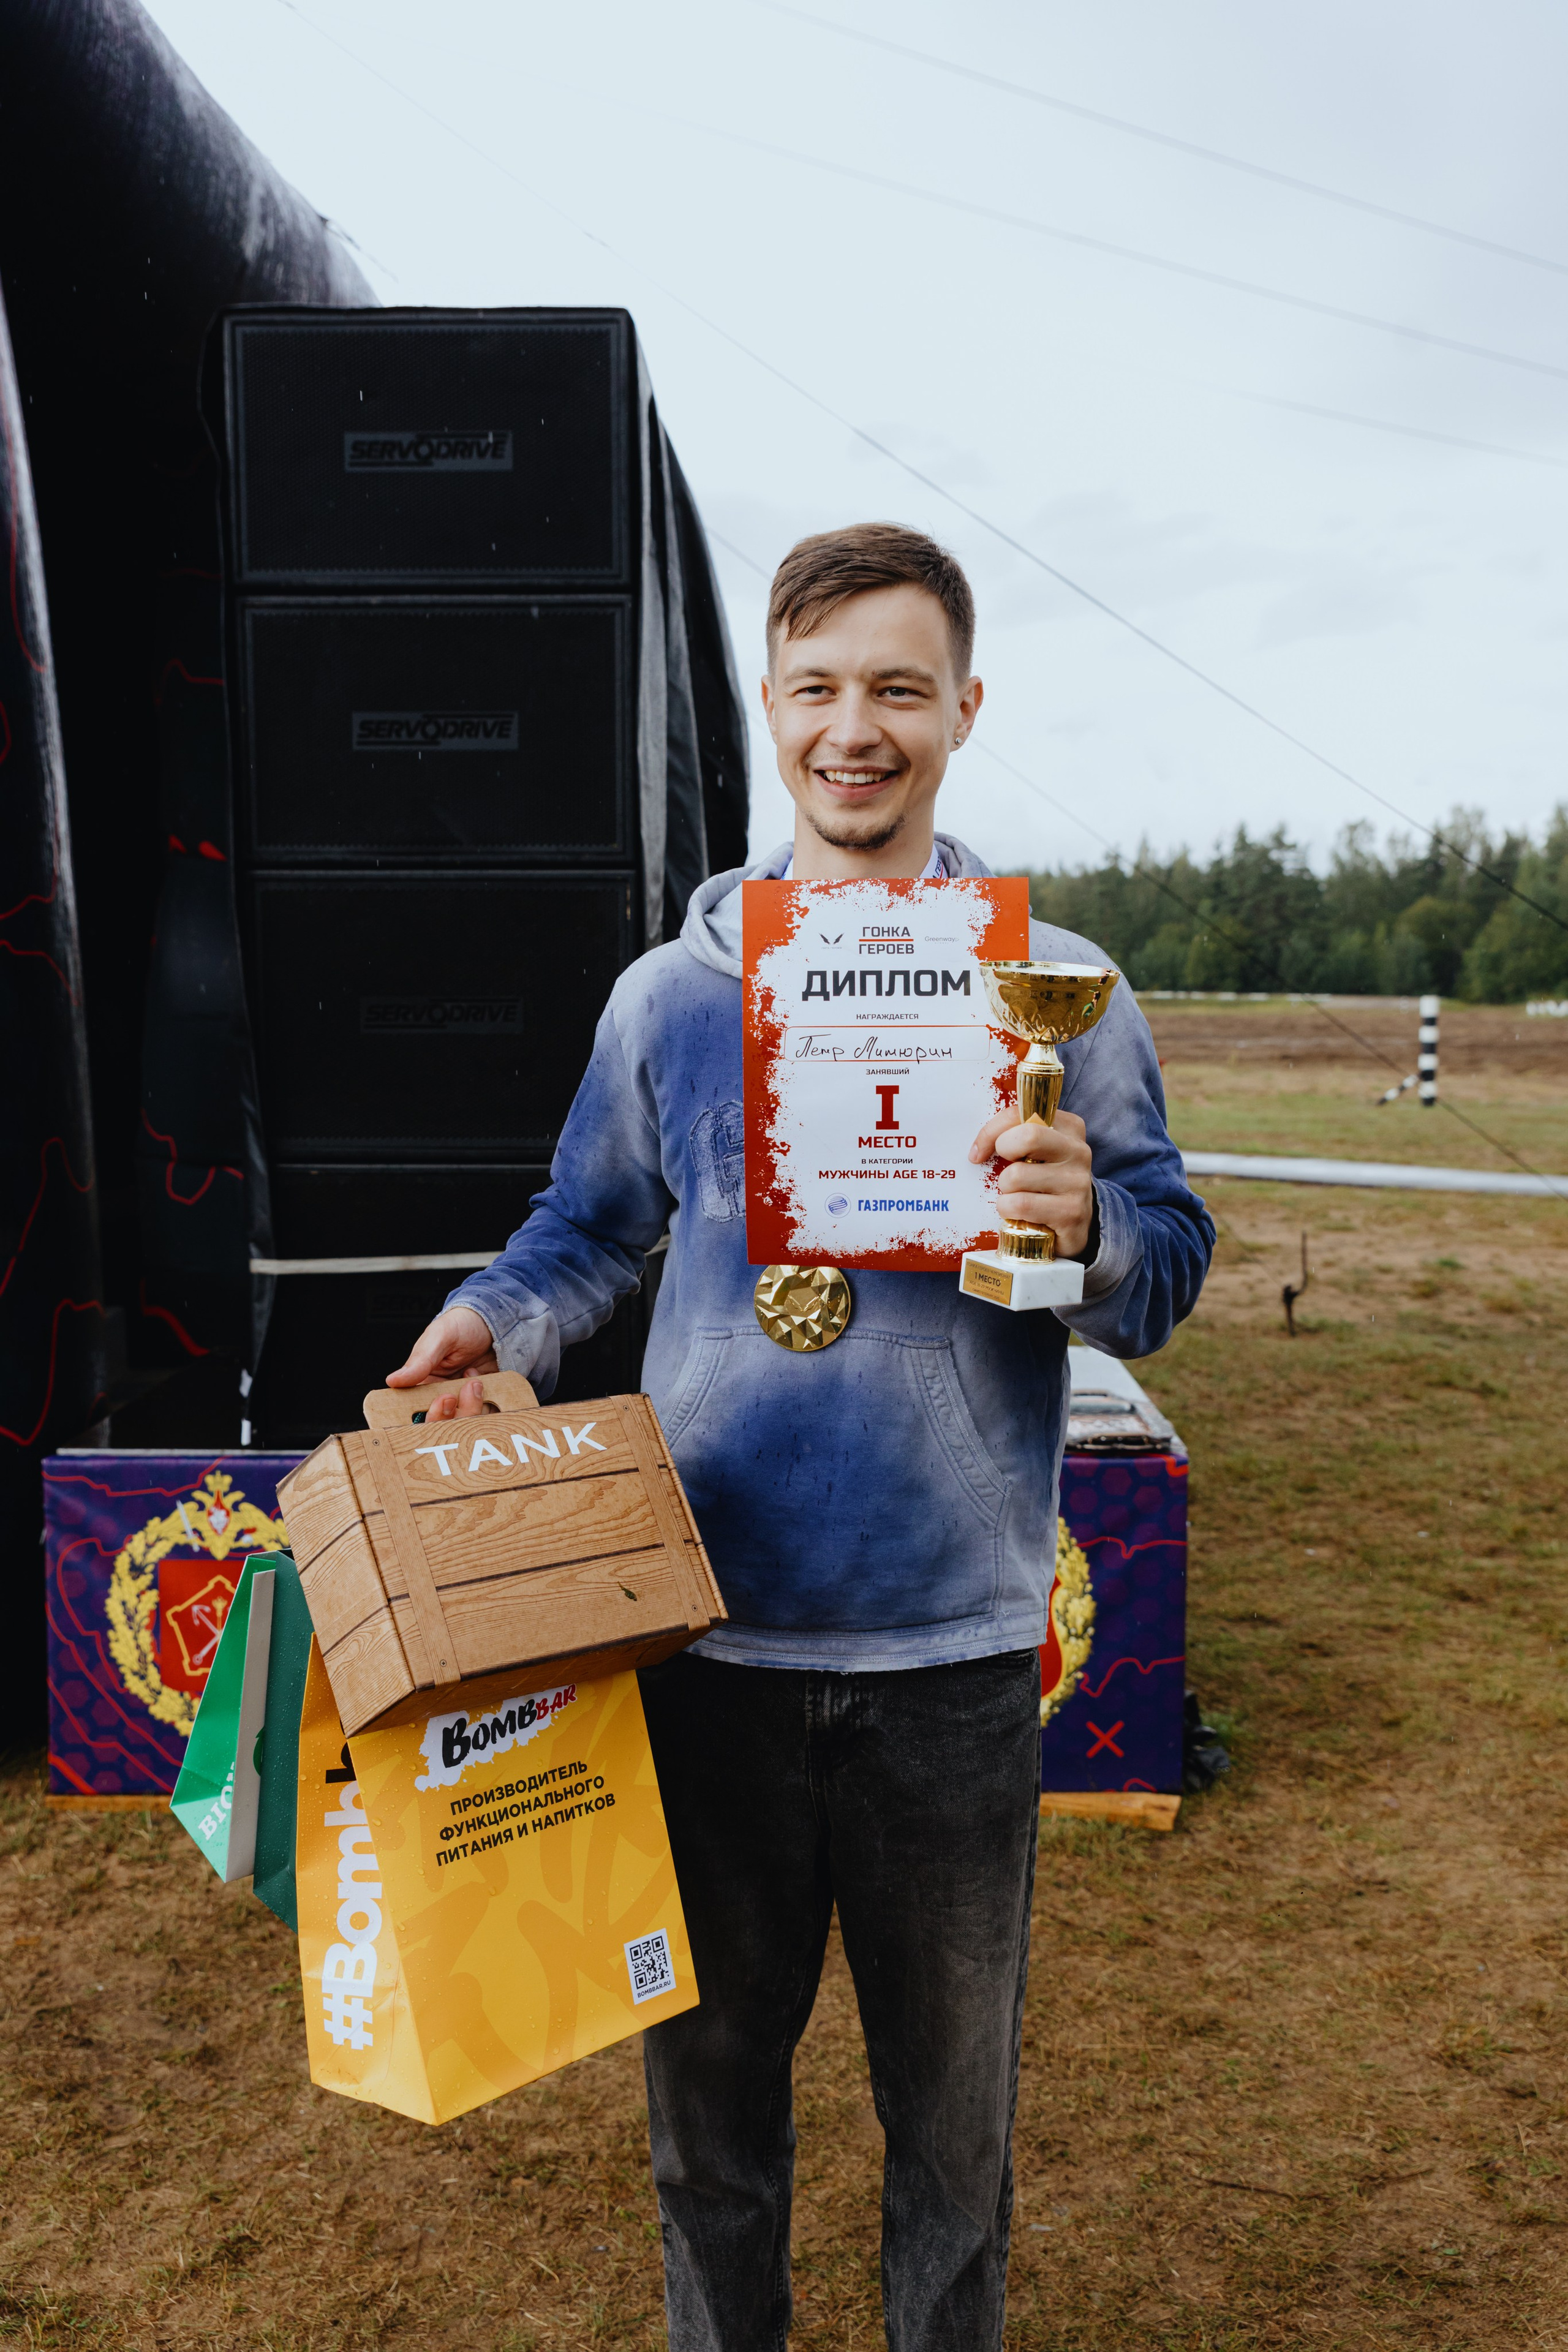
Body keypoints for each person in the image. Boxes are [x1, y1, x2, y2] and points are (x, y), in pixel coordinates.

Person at [389, 522, 1214, 2351]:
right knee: (711, 2137)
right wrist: (488, 1318)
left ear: (965, 711)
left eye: (902, 690)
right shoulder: (675, 996)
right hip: (704, 1641)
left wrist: (1085, 1225)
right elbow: (586, 1233)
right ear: (771, 709)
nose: (860, 729)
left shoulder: (1059, 993)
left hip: (955, 1658)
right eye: (823, 688)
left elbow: (1168, 1270)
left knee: (954, 2156)